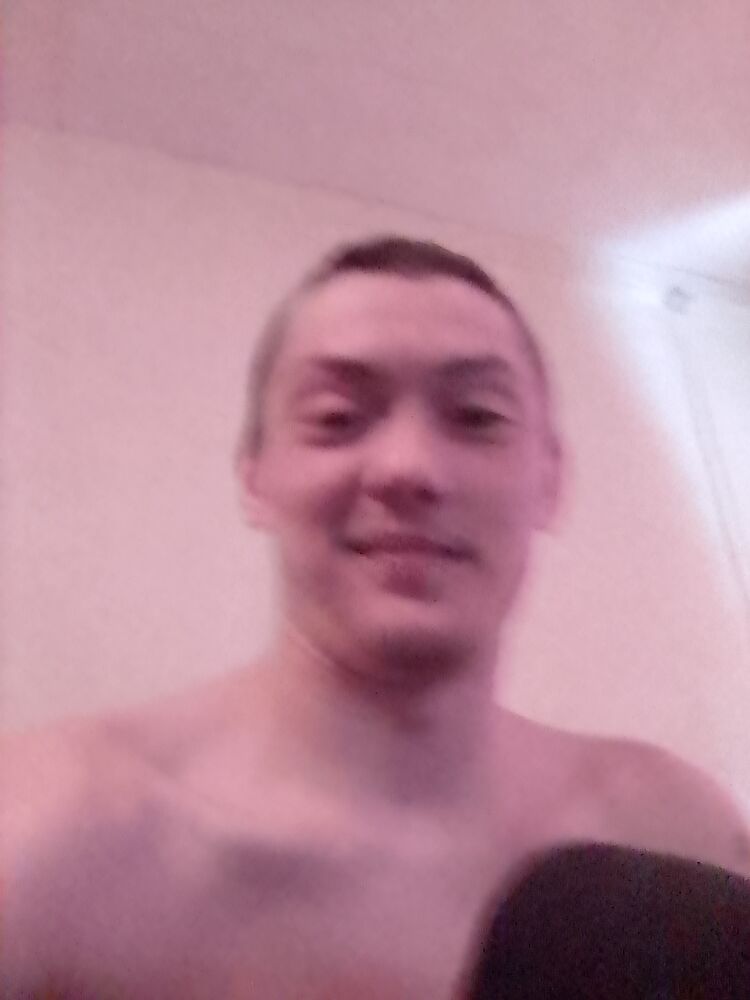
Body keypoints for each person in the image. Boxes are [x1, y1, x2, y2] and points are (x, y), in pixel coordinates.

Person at [2, 236, 748, 998]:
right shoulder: (50, 839)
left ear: (550, 479)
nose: (408, 468)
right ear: (255, 476)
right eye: (338, 417)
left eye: (476, 416)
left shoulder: (674, 832)